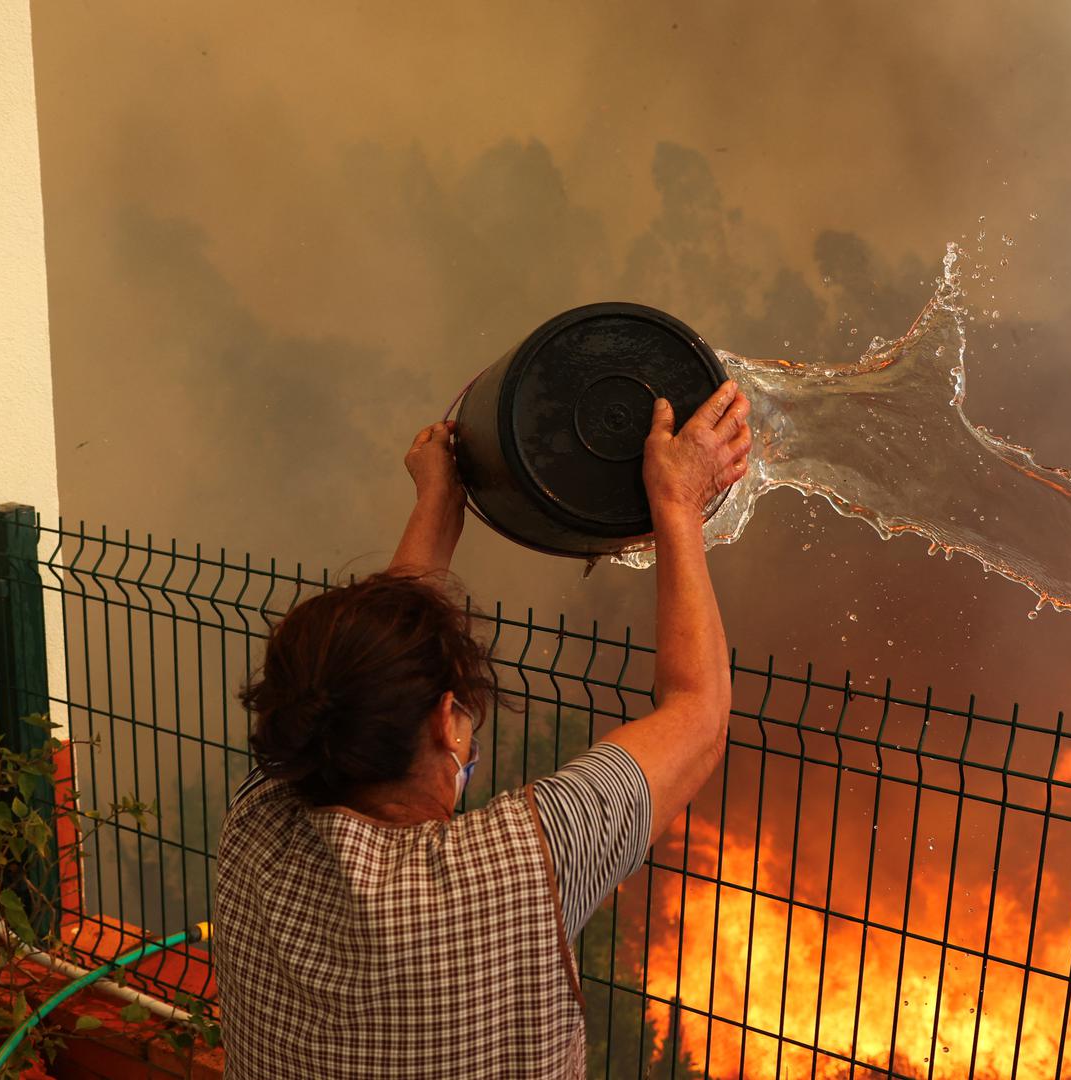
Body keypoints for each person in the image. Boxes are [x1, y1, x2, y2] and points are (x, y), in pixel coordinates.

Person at [212, 382, 752, 1078]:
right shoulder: (523, 865)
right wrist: (677, 504)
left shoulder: (258, 826)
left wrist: (438, 504)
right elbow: (698, 710)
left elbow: (365, 671)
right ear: (443, 722)